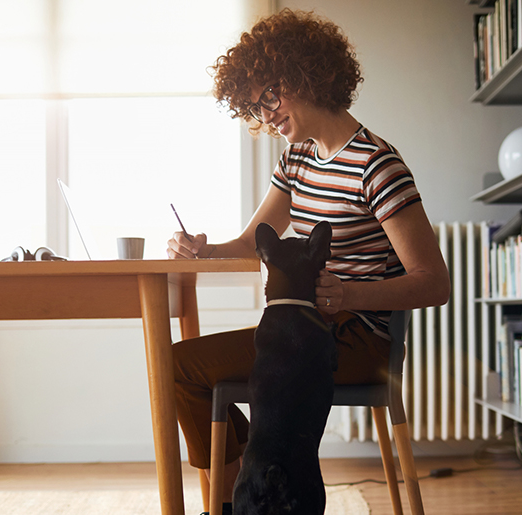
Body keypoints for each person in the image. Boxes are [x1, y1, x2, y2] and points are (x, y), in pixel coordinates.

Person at [165, 9, 450, 514]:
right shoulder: (296, 160)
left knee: (181, 368)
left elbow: (434, 283)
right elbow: (256, 239)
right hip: (305, 331)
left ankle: (230, 504)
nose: (266, 115)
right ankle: (246, 491)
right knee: (180, 366)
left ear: (306, 74)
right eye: (256, 106)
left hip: (359, 341)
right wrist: (204, 249)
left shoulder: (377, 165)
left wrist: (350, 294)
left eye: (270, 96)